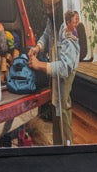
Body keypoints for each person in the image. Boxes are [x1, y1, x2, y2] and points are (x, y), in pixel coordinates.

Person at [29, 9, 80, 145]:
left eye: (49, 8)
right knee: (56, 105)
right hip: (55, 69)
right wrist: (38, 47)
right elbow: (47, 34)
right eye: (45, 7)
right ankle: (58, 146)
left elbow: (64, 68)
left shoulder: (69, 30)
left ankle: (67, 148)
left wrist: (39, 64)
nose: (46, 10)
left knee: (62, 108)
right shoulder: (52, 19)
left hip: (64, 71)